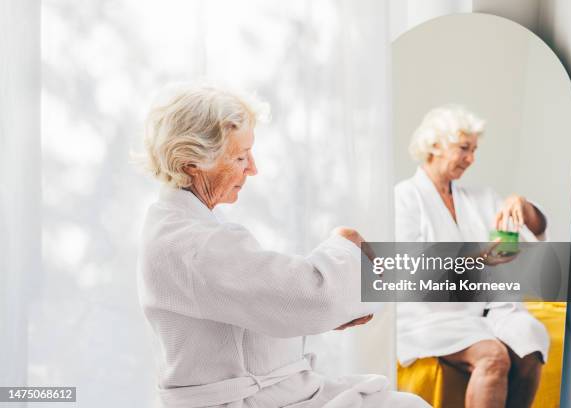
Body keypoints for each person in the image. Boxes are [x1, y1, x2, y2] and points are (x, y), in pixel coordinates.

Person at [137, 83, 429, 408]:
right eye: (239, 156)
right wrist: (344, 247)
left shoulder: (182, 227)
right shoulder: (193, 244)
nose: (253, 167)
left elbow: (269, 304)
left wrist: (332, 304)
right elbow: (310, 298)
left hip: (273, 393)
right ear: (191, 162)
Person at [395, 105, 549, 408]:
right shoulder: (404, 198)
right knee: (493, 357)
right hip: (428, 316)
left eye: (474, 150)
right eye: (464, 148)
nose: (471, 159)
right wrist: (479, 258)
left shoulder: (479, 198)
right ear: (435, 145)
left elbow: (537, 227)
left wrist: (521, 205)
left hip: (488, 310)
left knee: (531, 345)